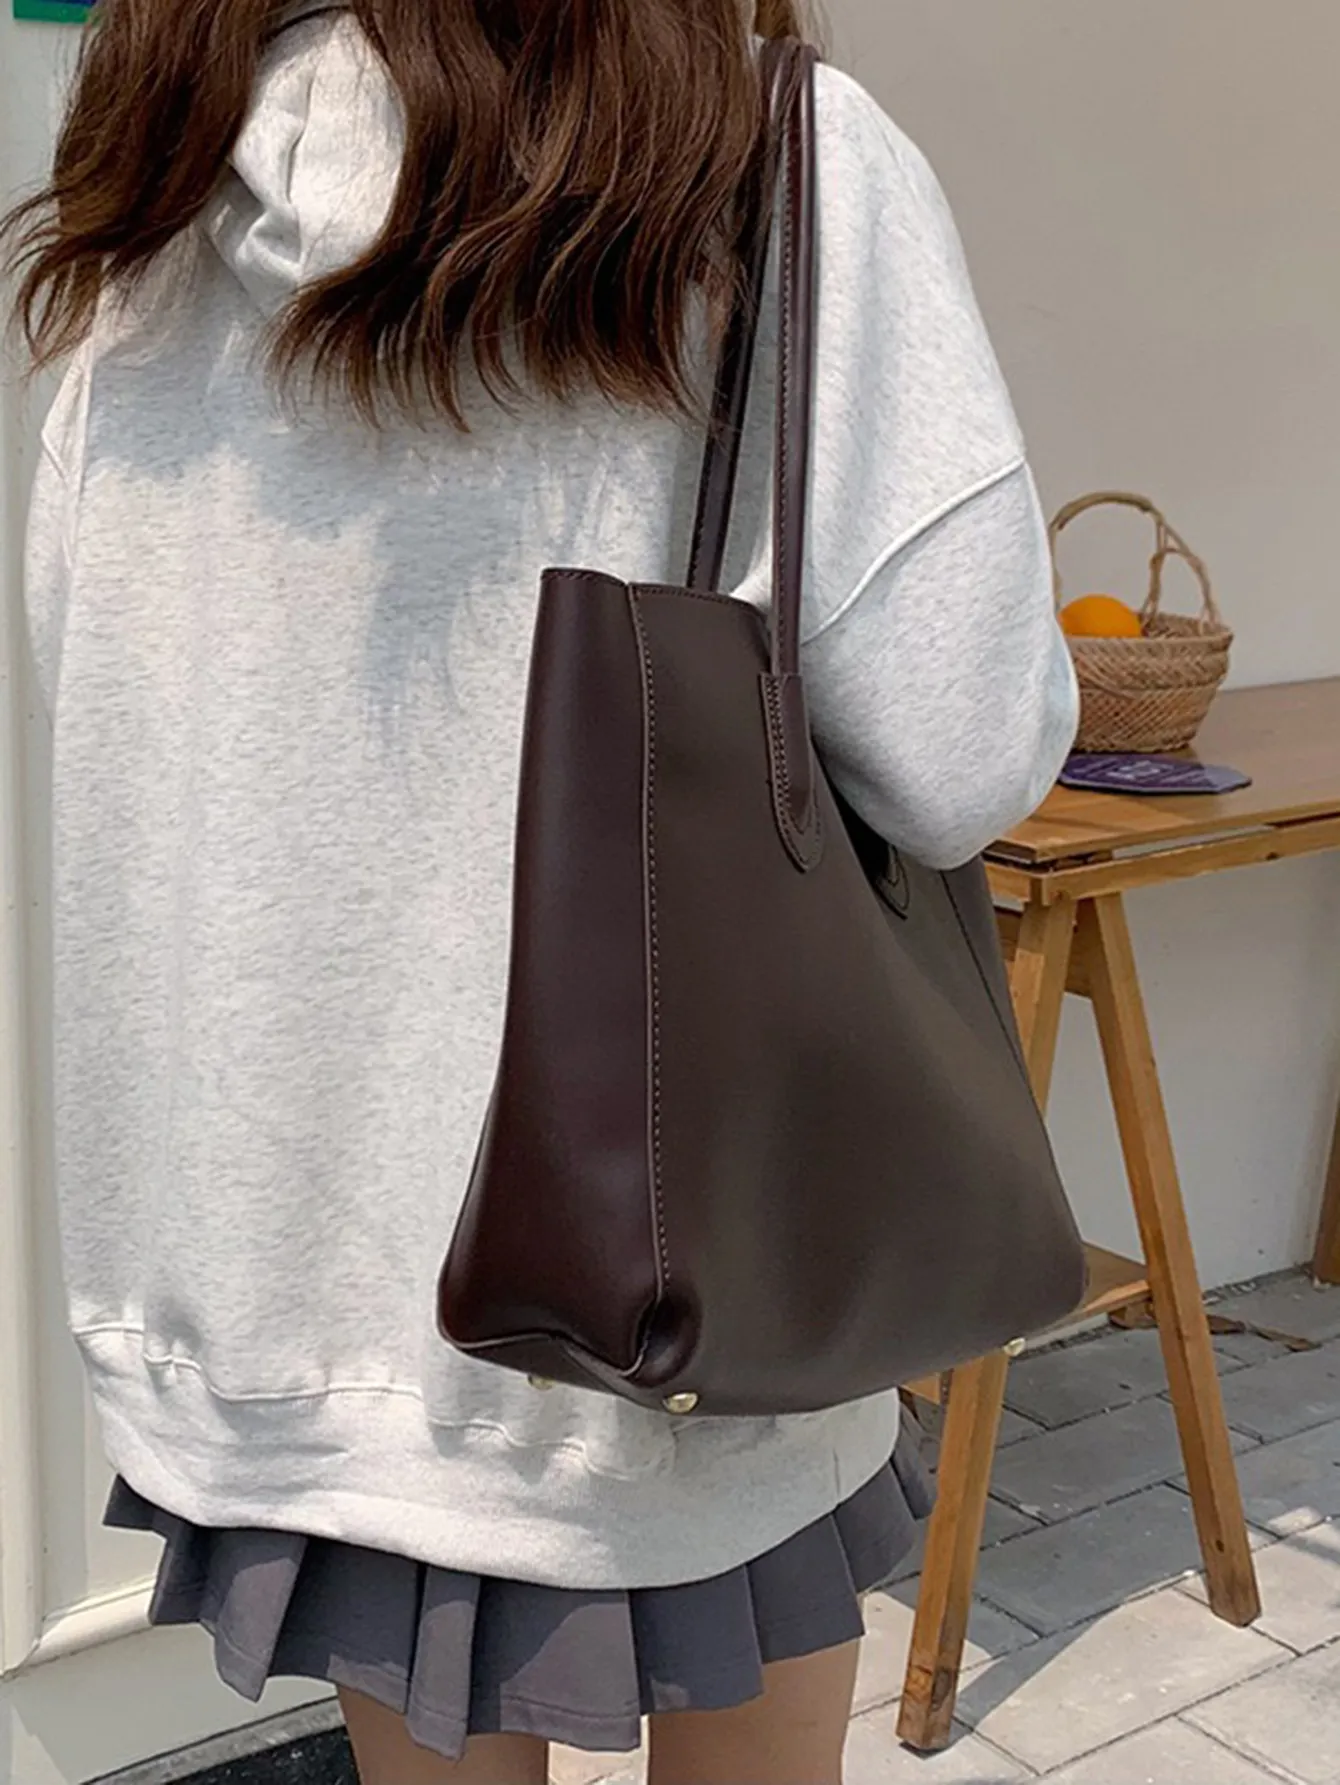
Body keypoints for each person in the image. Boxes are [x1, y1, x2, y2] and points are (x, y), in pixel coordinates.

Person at [3, 1, 1077, 1780]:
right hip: (680, 1287)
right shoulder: (772, 159)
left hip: (285, 1273)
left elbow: (101, 678)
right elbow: (964, 752)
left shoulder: (155, 187)